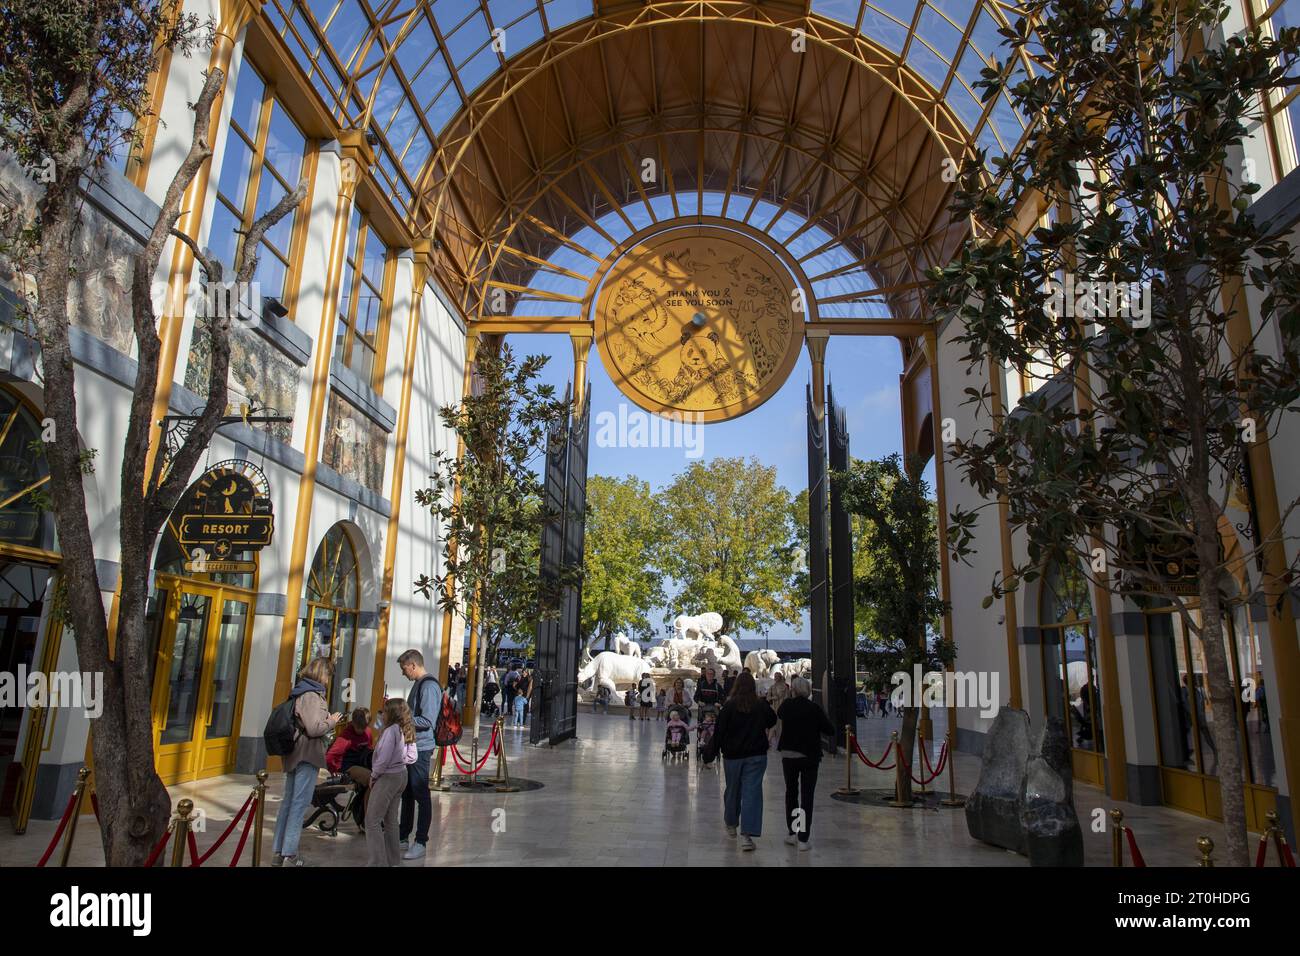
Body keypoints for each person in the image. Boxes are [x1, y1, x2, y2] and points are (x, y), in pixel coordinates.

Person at [271, 657, 340, 867]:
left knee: (289, 802)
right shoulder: (311, 695)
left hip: (296, 752)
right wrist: (332, 720)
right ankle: (289, 854)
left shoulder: (302, 691)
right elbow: (314, 728)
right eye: (328, 675)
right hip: (306, 754)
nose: (329, 679)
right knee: (298, 804)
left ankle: (279, 851)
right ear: (322, 674)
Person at [703, 671, 776, 851]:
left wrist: (709, 754)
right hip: (756, 755)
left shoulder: (728, 707)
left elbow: (719, 731)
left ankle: (731, 822)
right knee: (752, 793)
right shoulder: (760, 705)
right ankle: (747, 836)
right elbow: (772, 719)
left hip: (733, 756)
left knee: (733, 789)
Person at [776, 676, 835, 851]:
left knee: (791, 793)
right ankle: (803, 838)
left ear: (792, 690)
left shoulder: (786, 706)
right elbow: (829, 730)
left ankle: (792, 832)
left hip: (789, 755)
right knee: (807, 796)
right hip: (809, 757)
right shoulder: (814, 708)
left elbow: (779, 714)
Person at [397, 649, 442, 861]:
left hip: (421, 749)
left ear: (413, 665)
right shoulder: (419, 684)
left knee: (421, 794)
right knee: (407, 793)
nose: (403, 673)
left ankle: (421, 840)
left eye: (404, 668)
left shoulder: (429, 686)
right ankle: (403, 835)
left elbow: (427, 721)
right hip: (412, 746)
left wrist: (402, 719)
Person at [366, 697, 418, 866]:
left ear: (392, 714)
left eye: (385, 711)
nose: (382, 714)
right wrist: (399, 759)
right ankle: (393, 861)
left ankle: (377, 862)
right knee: (390, 821)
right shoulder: (406, 729)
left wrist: (374, 776)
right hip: (401, 775)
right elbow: (412, 756)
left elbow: (384, 758)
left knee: (372, 820)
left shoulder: (391, 731)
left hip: (388, 777)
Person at [766, 672, 790, 748]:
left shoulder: (785, 687)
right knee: (774, 725)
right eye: (775, 676)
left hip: (782, 708)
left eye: (777, 676)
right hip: (774, 708)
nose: (776, 678)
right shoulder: (772, 687)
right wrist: (773, 698)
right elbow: (768, 698)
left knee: (781, 726)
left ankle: (780, 742)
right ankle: (769, 741)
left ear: (780, 677)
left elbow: (787, 699)